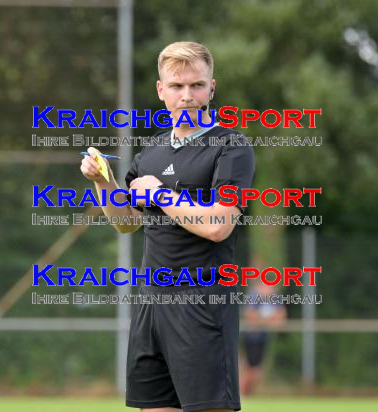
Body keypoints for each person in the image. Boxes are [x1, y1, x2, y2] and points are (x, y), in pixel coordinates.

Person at [81, 41, 255, 412]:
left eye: (196, 85)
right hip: (151, 305)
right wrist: (102, 182)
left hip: (201, 304)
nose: (187, 96)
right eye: (177, 87)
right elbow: (126, 223)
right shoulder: (153, 151)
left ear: (212, 88)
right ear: (161, 91)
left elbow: (218, 226)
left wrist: (162, 195)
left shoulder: (230, 146)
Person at [240, 281, 287, 396]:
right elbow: (250, 315)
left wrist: (264, 320)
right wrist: (268, 320)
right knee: (252, 370)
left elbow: (281, 316)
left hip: (263, 338)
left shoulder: (274, 295)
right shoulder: (254, 294)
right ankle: (241, 393)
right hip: (252, 337)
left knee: (257, 371)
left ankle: (245, 394)